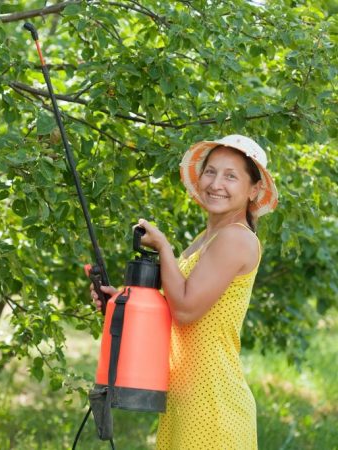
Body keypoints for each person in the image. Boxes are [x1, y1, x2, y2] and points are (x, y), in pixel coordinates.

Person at [91, 135, 279, 449]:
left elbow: (186, 310)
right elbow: (178, 311)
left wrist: (164, 246)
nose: (216, 183)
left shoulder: (235, 238)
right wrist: (125, 308)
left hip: (212, 402)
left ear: (253, 189)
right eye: (211, 172)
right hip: (186, 395)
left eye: (231, 176)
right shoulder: (209, 236)